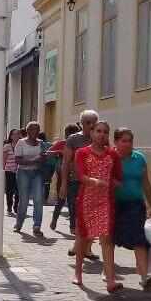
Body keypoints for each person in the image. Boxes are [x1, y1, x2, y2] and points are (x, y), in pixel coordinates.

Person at [72, 120, 123, 292]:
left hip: (105, 202)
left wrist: (115, 183)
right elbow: (80, 175)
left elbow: (117, 176)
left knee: (107, 239)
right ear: (92, 133)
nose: (102, 135)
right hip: (86, 201)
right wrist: (95, 181)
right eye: (98, 131)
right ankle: (78, 271)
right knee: (83, 237)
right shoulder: (82, 152)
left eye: (105, 132)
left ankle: (110, 280)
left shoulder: (112, 155)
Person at [113, 127, 151, 289]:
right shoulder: (111, 157)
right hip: (115, 204)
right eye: (123, 140)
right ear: (116, 142)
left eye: (130, 140)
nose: (127, 144)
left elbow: (146, 183)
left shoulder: (139, 158)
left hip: (135, 205)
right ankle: (109, 271)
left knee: (139, 238)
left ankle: (145, 276)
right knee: (112, 238)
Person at [59, 110, 100, 261]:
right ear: (82, 123)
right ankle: (78, 245)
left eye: (93, 122)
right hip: (76, 181)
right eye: (88, 122)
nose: (91, 125)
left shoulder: (100, 137)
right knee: (79, 215)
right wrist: (63, 183)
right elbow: (65, 163)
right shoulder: (73, 139)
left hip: (95, 183)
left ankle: (87, 248)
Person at [13, 122, 48, 237]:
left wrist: (44, 157)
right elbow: (17, 160)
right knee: (24, 200)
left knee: (38, 199)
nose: (35, 132)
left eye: (37, 130)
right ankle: (19, 223)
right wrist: (34, 160)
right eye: (32, 129)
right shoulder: (21, 142)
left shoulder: (41, 143)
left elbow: (44, 159)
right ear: (27, 131)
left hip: (37, 173)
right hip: (23, 173)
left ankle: (37, 226)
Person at [2, 128, 20, 215]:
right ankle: (9, 207)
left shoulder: (21, 145)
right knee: (9, 190)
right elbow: (3, 160)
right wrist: (2, 171)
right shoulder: (7, 146)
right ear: (11, 136)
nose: (16, 136)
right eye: (14, 134)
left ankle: (16, 207)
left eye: (17, 134)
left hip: (20, 171)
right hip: (9, 171)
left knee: (19, 190)